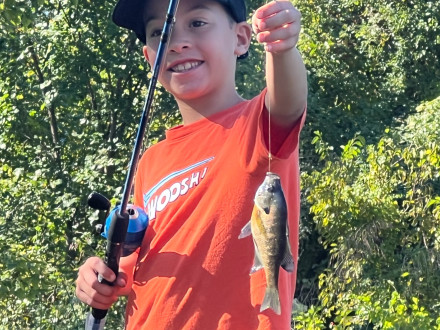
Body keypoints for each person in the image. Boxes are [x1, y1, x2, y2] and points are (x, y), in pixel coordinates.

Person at [75, 0, 307, 328]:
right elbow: (129, 267)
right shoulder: (151, 162)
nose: (177, 41)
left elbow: (288, 102)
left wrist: (281, 49)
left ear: (241, 39)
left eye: (197, 23)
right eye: (160, 31)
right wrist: (100, 277)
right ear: (149, 58)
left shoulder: (257, 126)